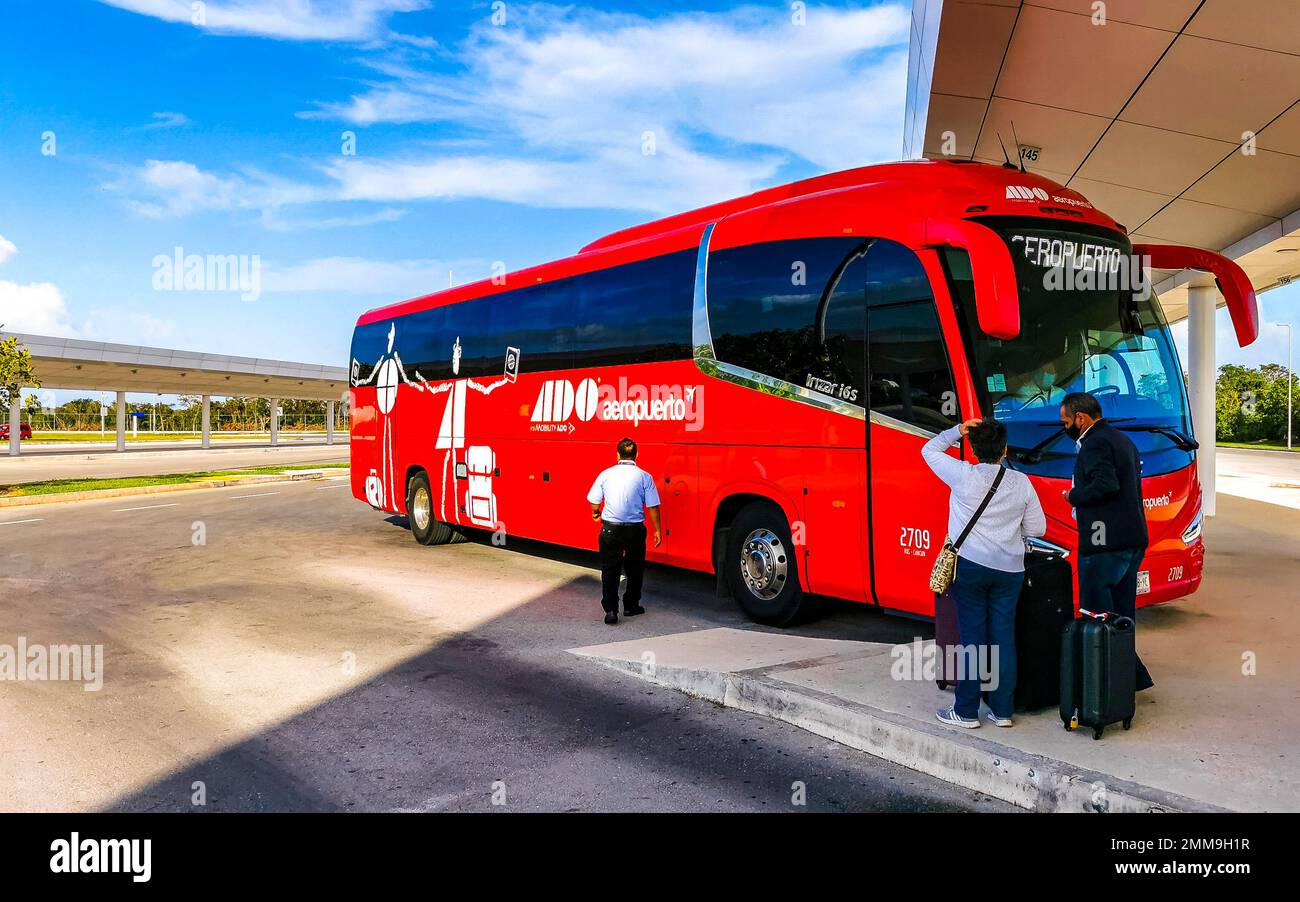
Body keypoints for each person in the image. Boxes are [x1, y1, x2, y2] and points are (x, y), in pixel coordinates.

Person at [923, 416, 1046, 729]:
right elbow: (1037, 528)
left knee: (972, 639)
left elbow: (929, 450)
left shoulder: (963, 474)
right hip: (1010, 571)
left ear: (974, 450)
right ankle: (1003, 710)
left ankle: (965, 711)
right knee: (1003, 637)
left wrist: (956, 431)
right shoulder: (1022, 482)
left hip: (971, 568)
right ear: (1004, 449)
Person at [1060, 391, 1155, 691]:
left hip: (1105, 544)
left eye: (1065, 421)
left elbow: (1106, 484)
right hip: (1131, 540)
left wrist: (1073, 496)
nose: (1064, 428)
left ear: (1080, 418)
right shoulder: (1121, 439)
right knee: (1122, 614)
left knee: (1098, 616)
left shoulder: (1094, 443)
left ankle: (1109, 682)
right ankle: (1127, 677)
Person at [586, 438, 663, 624]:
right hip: (634, 530)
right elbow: (653, 507)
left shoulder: (606, 474)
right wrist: (658, 530)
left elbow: (594, 501)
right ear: (637, 454)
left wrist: (596, 513)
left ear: (617, 454)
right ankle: (631, 606)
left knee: (610, 569)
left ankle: (611, 610)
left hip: (610, 529)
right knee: (635, 569)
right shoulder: (645, 476)